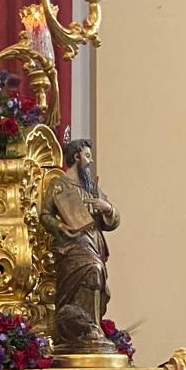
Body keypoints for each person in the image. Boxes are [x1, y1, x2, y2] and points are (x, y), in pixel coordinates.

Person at [39, 138, 121, 353]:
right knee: (92, 270)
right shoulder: (60, 184)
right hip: (71, 245)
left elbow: (112, 222)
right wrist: (60, 225)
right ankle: (78, 331)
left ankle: (93, 327)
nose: (90, 160)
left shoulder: (92, 188)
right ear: (76, 157)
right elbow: (45, 215)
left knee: (97, 276)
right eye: (87, 156)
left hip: (93, 242)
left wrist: (107, 208)